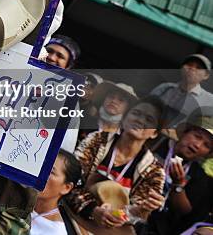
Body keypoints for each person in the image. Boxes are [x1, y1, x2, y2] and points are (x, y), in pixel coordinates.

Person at [66, 96, 167, 230]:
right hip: (71, 216)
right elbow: (70, 180)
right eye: (136, 113)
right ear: (124, 118)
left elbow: (137, 216)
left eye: (149, 120)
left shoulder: (154, 171)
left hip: (109, 230)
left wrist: (139, 211)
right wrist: (93, 210)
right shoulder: (97, 140)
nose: (140, 120)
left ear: (154, 133)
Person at [145, 115, 213, 235]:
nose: (197, 145)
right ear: (184, 133)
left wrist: (177, 185)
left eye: (206, 145)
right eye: (197, 136)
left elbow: (185, 211)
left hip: (155, 228)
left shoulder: (198, 175)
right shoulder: (154, 143)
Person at [151, 54, 213, 130]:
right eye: (189, 65)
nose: (192, 69)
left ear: (206, 75)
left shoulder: (209, 101)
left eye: (198, 67)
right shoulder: (165, 88)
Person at [31, 150, 82, 235]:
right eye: (41, 166)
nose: (41, 173)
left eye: (51, 172)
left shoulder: (57, 232)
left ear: (66, 188)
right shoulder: (14, 200)